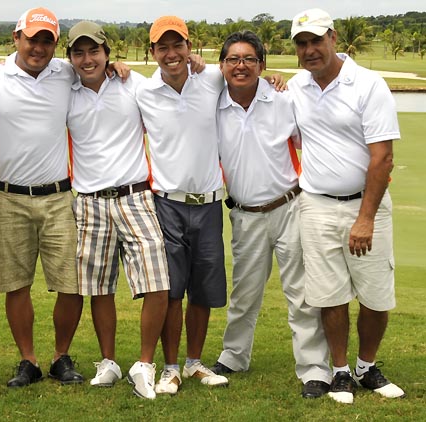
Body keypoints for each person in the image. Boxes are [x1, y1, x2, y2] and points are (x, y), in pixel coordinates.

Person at [288, 8, 405, 404]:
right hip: (317, 205)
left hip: (365, 205)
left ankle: (366, 366)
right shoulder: (297, 87)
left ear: (333, 39)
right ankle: (339, 371)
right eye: (301, 44)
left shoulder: (368, 85)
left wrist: (365, 218)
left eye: (316, 41)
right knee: (329, 294)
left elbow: (383, 158)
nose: (309, 50)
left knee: (375, 295)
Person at [210, 30, 332, 399]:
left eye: (250, 59)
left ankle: (314, 368)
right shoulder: (212, 104)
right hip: (245, 214)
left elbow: (308, 144)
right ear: (222, 65)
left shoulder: (284, 99)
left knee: (301, 293)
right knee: (244, 293)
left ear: (262, 65)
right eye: (233, 59)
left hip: (288, 206)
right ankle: (234, 356)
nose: (241, 65)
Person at [0, 7, 85, 387]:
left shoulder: (67, 73)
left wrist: (117, 66)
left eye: (47, 40)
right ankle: (28, 360)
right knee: (15, 284)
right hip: (8, 198)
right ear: (16, 38)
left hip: (59, 196)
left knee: (71, 283)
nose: (38, 47)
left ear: (55, 44)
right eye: (31, 38)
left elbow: (103, 70)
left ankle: (61, 357)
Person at [65, 21, 170, 399]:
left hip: (136, 195)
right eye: (79, 52)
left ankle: (143, 362)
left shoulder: (132, 84)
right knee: (99, 287)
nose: (87, 59)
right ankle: (107, 361)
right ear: (70, 57)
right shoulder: (67, 90)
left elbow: (170, 88)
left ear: (108, 54)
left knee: (156, 280)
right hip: (90, 200)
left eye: (94, 51)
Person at [135, 15, 229, 395]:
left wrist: (274, 80)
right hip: (167, 204)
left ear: (190, 48)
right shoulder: (140, 91)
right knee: (172, 289)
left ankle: (193, 363)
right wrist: (113, 66)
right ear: (152, 51)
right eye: (163, 47)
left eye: (178, 45)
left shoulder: (213, 80)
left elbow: (248, 78)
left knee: (203, 290)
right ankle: (170, 367)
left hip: (208, 203)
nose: (171, 54)